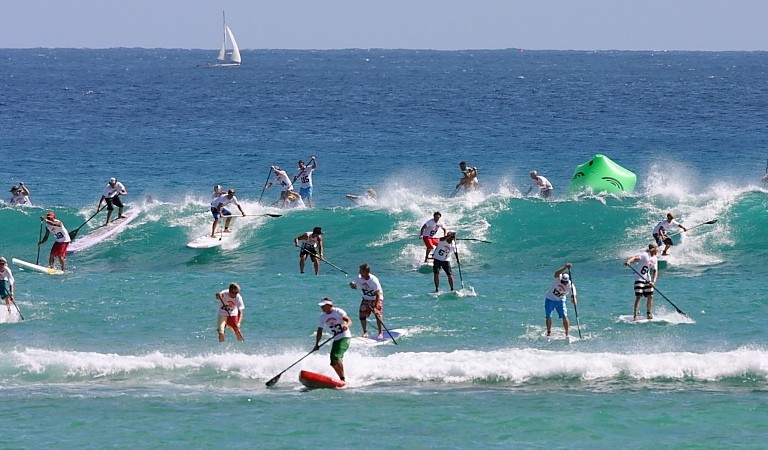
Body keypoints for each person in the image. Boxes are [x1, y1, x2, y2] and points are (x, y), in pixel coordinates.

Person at [314, 297, 352, 383]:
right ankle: (341, 379)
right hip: (336, 338)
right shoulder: (322, 316)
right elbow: (320, 331)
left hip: (345, 336)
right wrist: (316, 344)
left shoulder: (338, 311)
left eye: (323, 306)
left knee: (336, 357)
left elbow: (349, 321)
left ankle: (343, 379)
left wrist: (346, 325)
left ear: (328, 305)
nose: (321, 308)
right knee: (332, 362)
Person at [349, 263, 384, 339]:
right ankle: (365, 332)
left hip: (377, 298)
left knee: (377, 314)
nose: (359, 272)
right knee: (362, 314)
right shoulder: (360, 277)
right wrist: (352, 284)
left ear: (366, 272)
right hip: (366, 298)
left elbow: (377, 294)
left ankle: (380, 333)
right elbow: (354, 283)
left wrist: (375, 306)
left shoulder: (374, 280)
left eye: (361, 271)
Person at [624, 244, 659, 321]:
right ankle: (635, 315)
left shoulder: (655, 258)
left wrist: (653, 281)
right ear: (653, 250)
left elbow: (655, 271)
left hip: (648, 279)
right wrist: (629, 261)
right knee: (639, 296)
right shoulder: (645, 255)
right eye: (656, 250)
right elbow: (635, 258)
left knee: (650, 296)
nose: (657, 252)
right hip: (639, 278)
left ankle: (648, 313)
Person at [543, 263, 577, 336]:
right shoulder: (558, 277)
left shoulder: (571, 286)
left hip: (560, 301)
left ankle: (567, 333)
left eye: (565, 282)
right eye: (562, 282)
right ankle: (549, 332)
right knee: (548, 316)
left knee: (564, 317)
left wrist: (574, 300)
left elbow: (573, 297)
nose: (563, 283)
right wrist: (565, 267)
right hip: (550, 299)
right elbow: (556, 273)